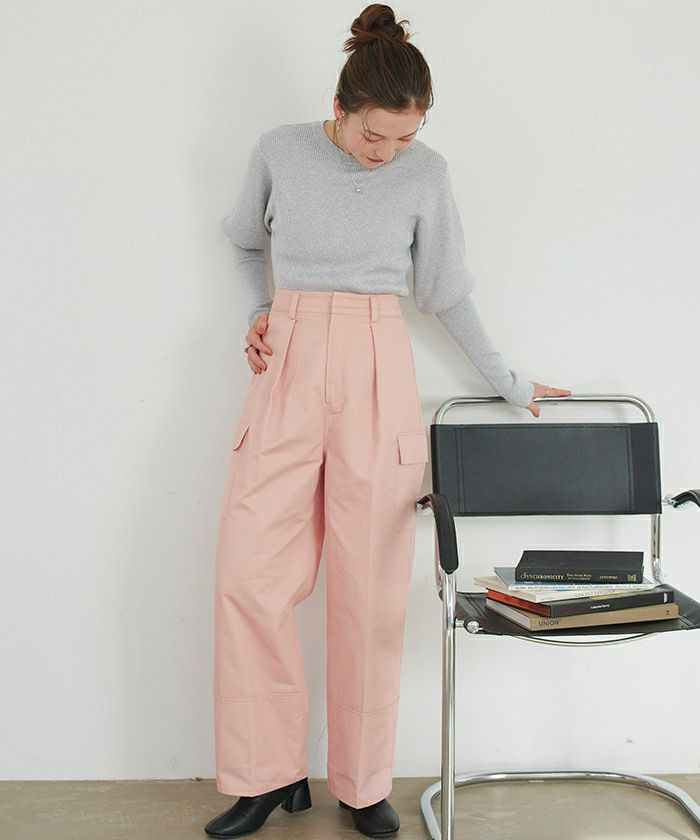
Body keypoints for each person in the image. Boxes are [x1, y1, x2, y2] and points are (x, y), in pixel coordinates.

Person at [205, 4, 571, 838]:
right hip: (287, 361)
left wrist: (509, 381)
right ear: (339, 108)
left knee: (369, 589)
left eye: (406, 138)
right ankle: (266, 774)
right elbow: (241, 241)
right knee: (250, 576)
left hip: (377, 364)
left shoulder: (426, 174)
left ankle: (363, 783)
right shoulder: (280, 151)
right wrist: (260, 311)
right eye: (375, 136)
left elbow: (444, 291)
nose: (388, 153)